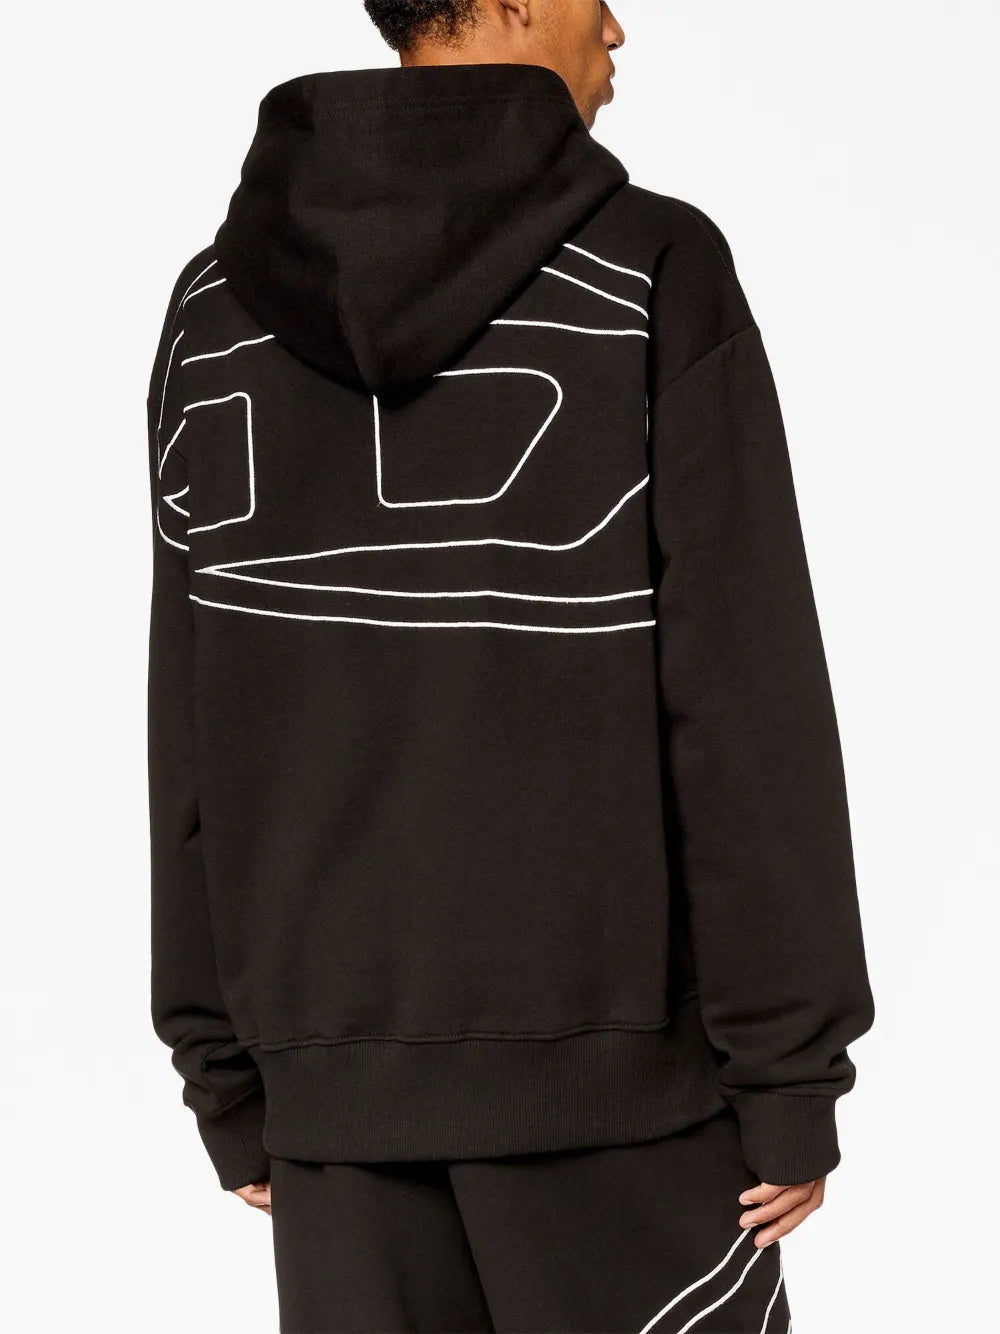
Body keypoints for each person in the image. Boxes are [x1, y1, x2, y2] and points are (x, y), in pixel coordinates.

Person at [145, 2, 875, 1329]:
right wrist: (787, 1069)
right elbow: (741, 694)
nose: (617, 26)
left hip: (335, 1114)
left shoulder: (214, 312)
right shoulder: (651, 268)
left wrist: (228, 1071)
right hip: (623, 1110)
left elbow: (192, 721)